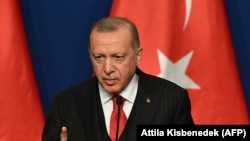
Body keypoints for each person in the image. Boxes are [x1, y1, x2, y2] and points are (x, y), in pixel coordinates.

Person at [42, 17, 194, 141]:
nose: (108, 69)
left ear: (138, 56)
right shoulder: (64, 104)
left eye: (118, 57)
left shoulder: (171, 99)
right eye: (99, 57)